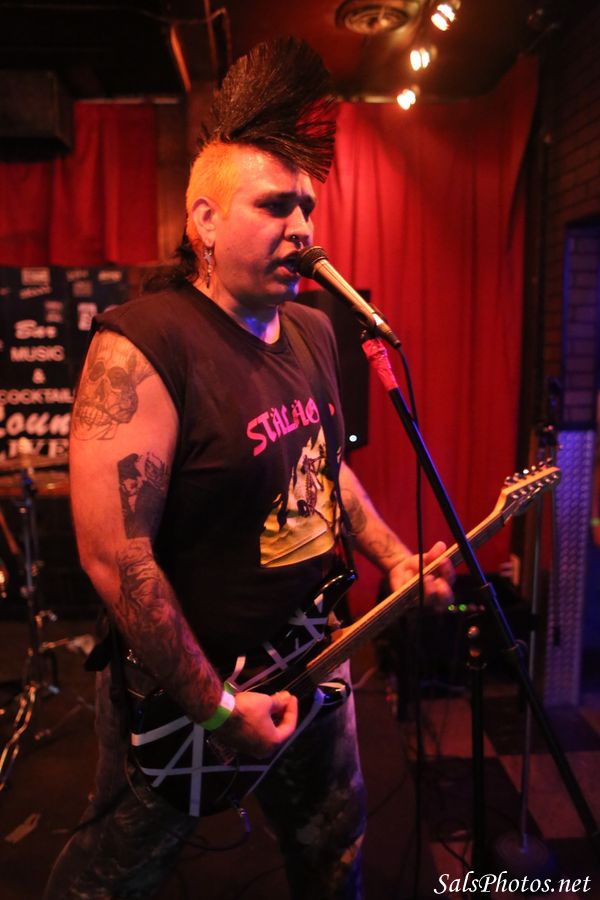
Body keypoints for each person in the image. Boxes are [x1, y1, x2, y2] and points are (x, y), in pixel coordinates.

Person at [44, 38, 452, 900]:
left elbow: (325, 470)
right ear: (205, 221)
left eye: (307, 206)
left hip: (316, 651)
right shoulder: (143, 346)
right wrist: (216, 709)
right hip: (194, 689)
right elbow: (116, 557)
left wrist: (393, 556)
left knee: (335, 849)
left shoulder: (314, 331)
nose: (301, 227)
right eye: (274, 205)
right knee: (110, 878)